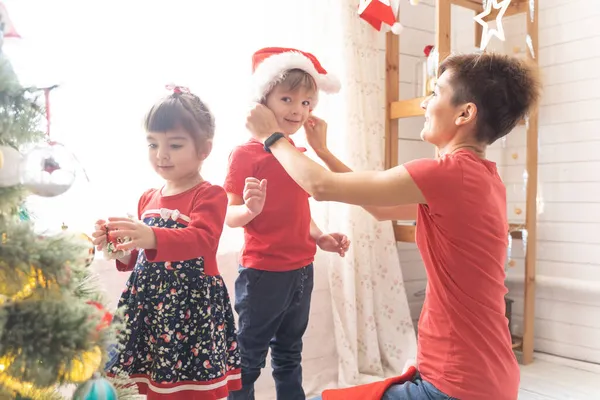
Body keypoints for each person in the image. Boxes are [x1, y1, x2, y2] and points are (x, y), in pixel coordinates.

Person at [244, 52, 542, 400]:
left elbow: (319, 187)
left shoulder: (445, 174)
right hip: (492, 379)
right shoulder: (484, 180)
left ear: (465, 113)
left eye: (435, 94)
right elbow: (379, 207)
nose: (426, 104)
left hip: (455, 385)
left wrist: (272, 136)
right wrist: (323, 152)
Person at [92, 86, 241, 399]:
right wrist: (118, 245)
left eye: (174, 145)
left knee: (190, 389)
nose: (161, 154)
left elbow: (201, 240)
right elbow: (139, 255)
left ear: (204, 149)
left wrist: (151, 235)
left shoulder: (208, 194)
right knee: (150, 383)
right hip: (149, 307)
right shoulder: (148, 197)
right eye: (152, 144)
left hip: (190, 310)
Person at [223, 47, 350, 400]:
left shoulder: (296, 156)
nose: (298, 109)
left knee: (289, 353)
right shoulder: (245, 154)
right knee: (247, 359)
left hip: (301, 270)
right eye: (287, 98)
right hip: (264, 273)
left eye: (307, 102)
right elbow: (230, 217)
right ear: (262, 102)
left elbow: (299, 211)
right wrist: (249, 209)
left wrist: (320, 236)